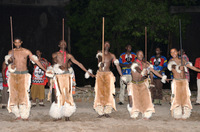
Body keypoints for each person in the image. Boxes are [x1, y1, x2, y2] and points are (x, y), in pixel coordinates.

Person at [46, 40, 94, 121]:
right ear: (59, 45)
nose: (63, 44)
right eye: (61, 43)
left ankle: (67, 114)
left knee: (67, 95)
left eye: (65, 43)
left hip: (67, 77)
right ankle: (58, 115)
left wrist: (87, 71)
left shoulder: (68, 55)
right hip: (58, 77)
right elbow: (53, 64)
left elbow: (78, 63)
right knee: (58, 95)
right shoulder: (55, 54)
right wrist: (55, 64)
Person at [5, 37, 46, 120]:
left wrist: (45, 70)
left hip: (24, 75)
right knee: (14, 95)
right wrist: (10, 63)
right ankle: (17, 114)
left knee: (24, 95)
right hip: (14, 75)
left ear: (21, 43)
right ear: (13, 43)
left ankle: (25, 115)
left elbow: (36, 61)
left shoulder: (26, 51)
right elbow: (8, 61)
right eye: (15, 43)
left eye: (18, 42)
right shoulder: (11, 52)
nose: (17, 44)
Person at [127, 50, 167, 119]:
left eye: (142, 54)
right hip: (134, 84)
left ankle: (146, 114)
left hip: (142, 84)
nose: (141, 56)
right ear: (136, 55)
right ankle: (133, 112)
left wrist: (162, 77)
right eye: (139, 54)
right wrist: (143, 71)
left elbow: (153, 71)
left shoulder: (146, 63)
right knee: (131, 101)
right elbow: (137, 69)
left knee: (146, 99)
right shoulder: (134, 63)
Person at [168, 48, 200, 120]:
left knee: (186, 98)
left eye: (174, 51)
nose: (173, 53)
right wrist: (179, 67)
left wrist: (199, 70)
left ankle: (186, 113)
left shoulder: (183, 60)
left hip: (184, 81)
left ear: (177, 52)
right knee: (176, 98)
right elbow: (172, 67)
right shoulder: (171, 61)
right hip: (176, 82)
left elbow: (191, 67)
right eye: (171, 52)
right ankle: (177, 113)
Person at [94, 41, 124, 118]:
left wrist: (121, 75)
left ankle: (107, 111)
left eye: (108, 44)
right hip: (100, 74)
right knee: (100, 93)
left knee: (108, 93)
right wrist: (101, 64)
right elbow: (99, 63)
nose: (107, 45)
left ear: (109, 46)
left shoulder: (112, 55)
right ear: (103, 45)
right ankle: (100, 111)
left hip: (108, 74)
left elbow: (117, 65)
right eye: (105, 44)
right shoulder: (100, 53)